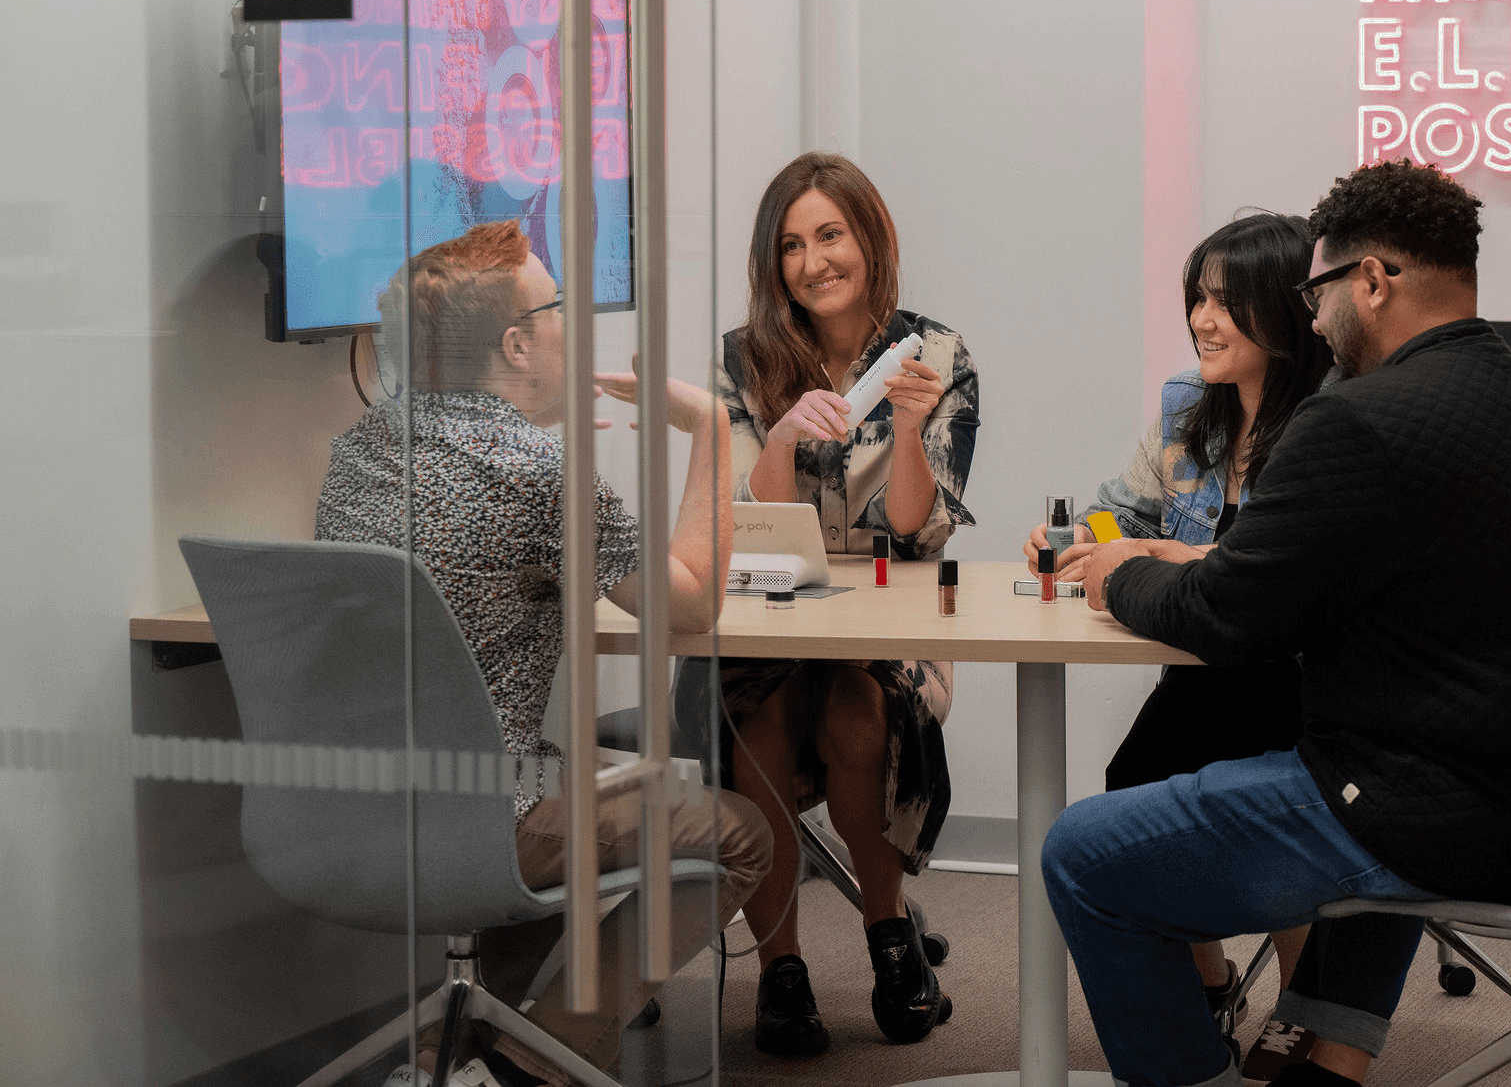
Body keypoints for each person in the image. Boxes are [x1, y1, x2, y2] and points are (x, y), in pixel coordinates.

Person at [1043, 160, 1511, 1087]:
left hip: (1429, 815)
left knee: (1083, 851)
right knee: (1324, 755)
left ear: (1372, 280)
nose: (1315, 319)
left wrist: (1118, 573)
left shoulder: (1356, 418)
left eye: (1319, 292)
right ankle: (1325, 1054)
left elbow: (1224, 619)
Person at [314, 220, 773, 1087]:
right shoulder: (539, 473)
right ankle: (529, 1070)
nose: (580, 326)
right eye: (563, 307)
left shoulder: (359, 452)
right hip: (478, 817)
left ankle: (443, 1064)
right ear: (517, 342)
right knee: (741, 833)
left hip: (342, 811)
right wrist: (713, 427)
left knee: (562, 782)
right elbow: (692, 609)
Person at [1021, 212, 1331, 1041]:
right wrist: (1087, 538)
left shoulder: (1333, 420)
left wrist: (1172, 556)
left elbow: (1289, 573)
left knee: (1272, 824)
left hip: (1306, 679)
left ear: (1288, 309)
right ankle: (1213, 980)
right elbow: (1121, 511)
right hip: (1206, 664)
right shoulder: (1190, 406)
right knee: (1138, 790)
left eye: (1227, 301)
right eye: (1197, 297)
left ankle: (1305, 1015)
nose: (1202, 319)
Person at [706, 151, 978, 1055]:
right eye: (792, 244)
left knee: (859, 714)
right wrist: (779, 433)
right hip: (772, 612)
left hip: (884, 621)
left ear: (869, 239)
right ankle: (780, 968)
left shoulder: (934, 355)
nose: (814, 261)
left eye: (831, 235)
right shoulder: (743, 361)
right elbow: (744, 521)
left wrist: (906, 429)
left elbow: (916, 529)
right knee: (762, 713)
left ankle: (887, 933)